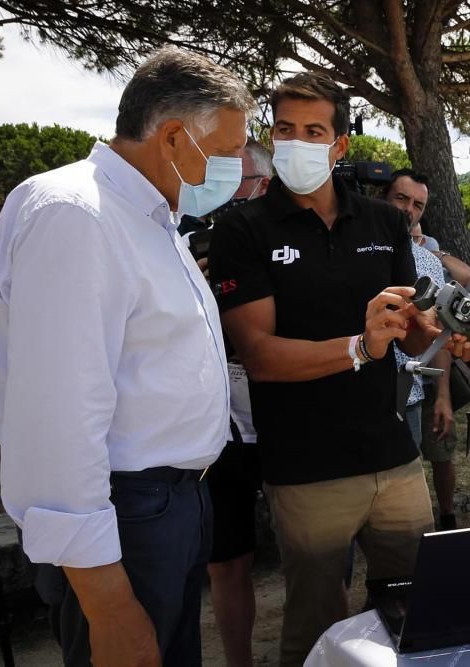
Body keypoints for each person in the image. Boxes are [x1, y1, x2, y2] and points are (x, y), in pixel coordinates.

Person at [0, 47, 253, 666]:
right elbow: (59, 421)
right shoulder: (76, 215)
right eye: (226, 155)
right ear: (171, 137)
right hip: (124, 516)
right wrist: (107, 601)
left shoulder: (152, 218)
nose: (238, 172)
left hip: (168, 506)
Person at [208, 72, 469, 666]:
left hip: (393, 455)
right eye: (285, 130)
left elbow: (409, 319)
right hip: (305, 467)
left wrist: (445, 335)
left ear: (340, 144)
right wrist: (359, 346)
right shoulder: (244, 229)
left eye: (314, 131)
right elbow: (259, 354)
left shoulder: (382, 222)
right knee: (316, 628)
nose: (297, 142)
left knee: (421, 610)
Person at [204, 138, 272, 667]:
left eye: (234, 182)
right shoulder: (184, 242)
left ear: (264, 185)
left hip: (285, 420)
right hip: (218, 433)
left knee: (316, 553)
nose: (219, 195)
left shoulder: (289, 240)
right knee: (227, 562)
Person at [384, 168, 460, 530]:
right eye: (401, 198)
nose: (408, 210)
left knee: (402, 502)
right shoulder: (351, 248)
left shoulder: (429, 263)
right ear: (383, 197)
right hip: (350, 391)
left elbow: (438, 335)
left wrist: (442, 395)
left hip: (408, 397)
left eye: (417, 205)